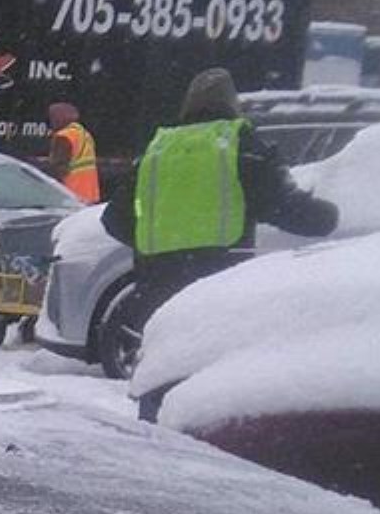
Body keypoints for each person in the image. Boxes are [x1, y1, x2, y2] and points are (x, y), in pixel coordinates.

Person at [100, 68, 338, 337]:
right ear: (232, 105)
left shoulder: (156, 152)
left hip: (157, 289)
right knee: (210, 367)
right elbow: (282, 205)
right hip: (219, 282)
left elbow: (113, 219)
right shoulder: (241, 146)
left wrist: (159, 240)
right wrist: (328, 218)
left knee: (165, 369)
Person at [43, 101, 101, 203]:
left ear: (59, 118)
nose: (50, 123)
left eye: (52, 118)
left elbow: (58, 167)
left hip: (71, 194)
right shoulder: (84, 134)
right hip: (90, 193)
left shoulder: (64, 137)